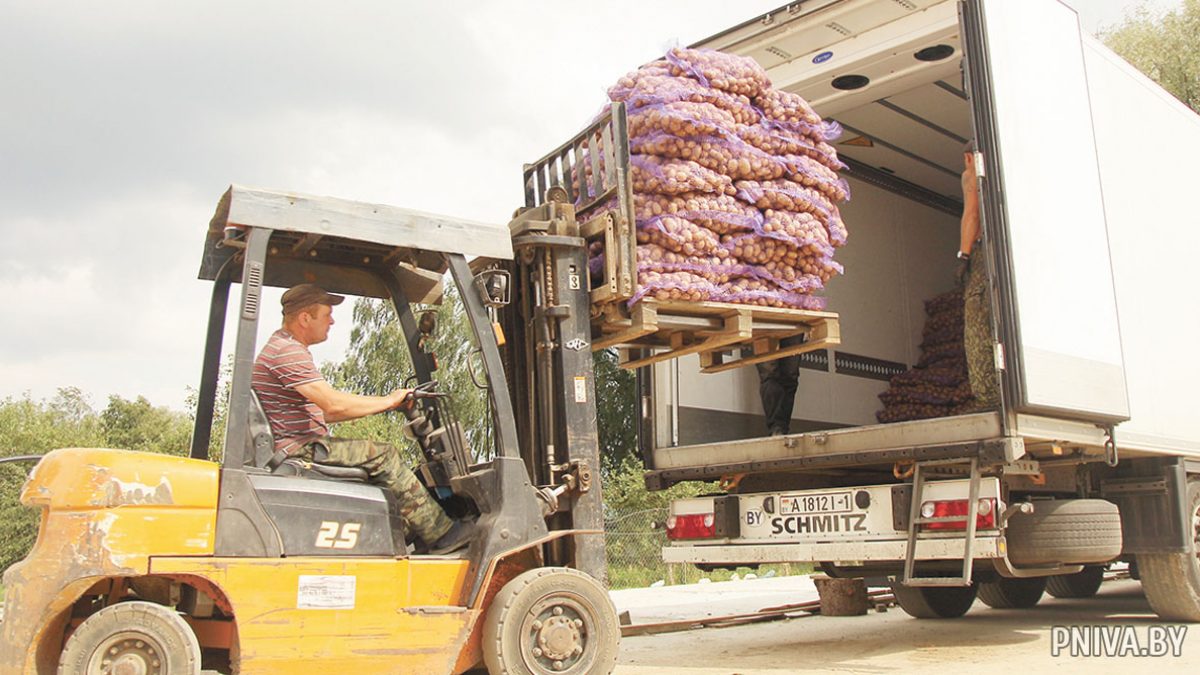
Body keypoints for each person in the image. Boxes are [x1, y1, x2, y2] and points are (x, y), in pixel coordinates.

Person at [252, 283, 472, 553]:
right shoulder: (287, 352)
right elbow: (333, 403)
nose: (332, 320)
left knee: (380, 469)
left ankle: (405, 532)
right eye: (326, 314)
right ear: (305, 318)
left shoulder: (284, 347)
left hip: (299, 444)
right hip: (300, 448)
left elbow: (329, 412)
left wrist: (387, 404)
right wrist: (390, 400)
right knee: (383, 455)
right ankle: (443, 533)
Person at [957, 142, 1000, 411]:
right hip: (1002, 257)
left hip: (984, 255)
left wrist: (963, 254)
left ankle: (987, 397)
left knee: (976, 323)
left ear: (968, 158)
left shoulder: (972, 173)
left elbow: (971, 214)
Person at [757, 335, 805, 436]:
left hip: (795, 323)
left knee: (790, 375)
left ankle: (781, 428)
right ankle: (776, 427)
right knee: (769, 374)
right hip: (763, 324)